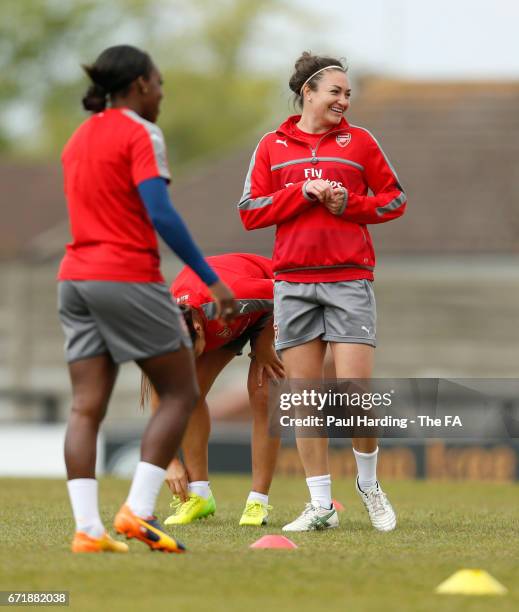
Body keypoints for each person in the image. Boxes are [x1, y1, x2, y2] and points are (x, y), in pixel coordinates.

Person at [58, 45, 236, 553]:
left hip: (74, 279)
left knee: (85, 407)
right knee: (180, 391)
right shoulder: (140, 131)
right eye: (159, 85)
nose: (161, 95)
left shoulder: (78, 137)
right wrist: (209, 277)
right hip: (125, 276)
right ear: (138, 85)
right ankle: (137, 510)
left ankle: (88, 531)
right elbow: (159, 211)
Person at [238, 51, 406, 532]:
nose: (343, 100)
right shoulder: (271, 145)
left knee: (356, 394)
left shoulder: (361, 142)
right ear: (307, 92)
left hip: (349, 280)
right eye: (335, 91)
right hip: (292, 283)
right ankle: (320, 506)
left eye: (348, 93)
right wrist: (302, 193)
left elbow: (394, 199)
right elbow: (250, 210)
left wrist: (345, 202)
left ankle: (369, 486)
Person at [143, 253, 284, 527]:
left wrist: (264, 344)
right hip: (225, 325)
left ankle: (258, 502)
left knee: (263, 393)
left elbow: (287, 289)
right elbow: (163, 395)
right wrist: (169, 461)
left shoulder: (229, 296)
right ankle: (200, 496)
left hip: (264, 308)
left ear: (197, 327)